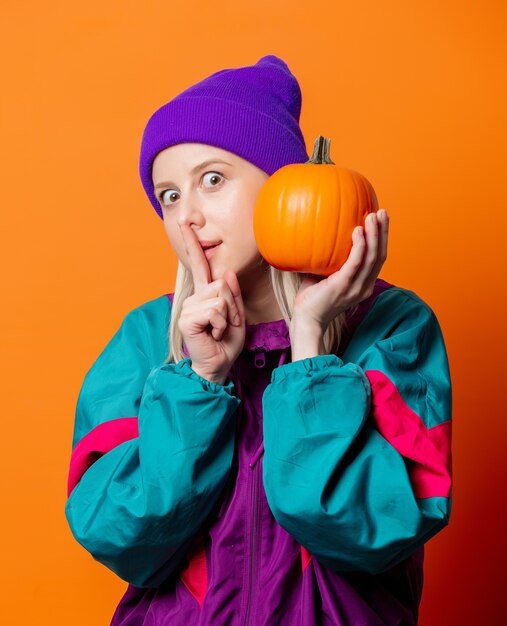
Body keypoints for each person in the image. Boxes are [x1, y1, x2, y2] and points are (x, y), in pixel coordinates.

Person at [65, 55, 452, 625]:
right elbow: (122, 538)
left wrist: (311, 346)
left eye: (212, 179)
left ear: (284, 186)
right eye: (169, 195)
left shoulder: (392, 326)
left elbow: (376, 531)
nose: (187, 216)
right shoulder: (148, 338)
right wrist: (200, 382)